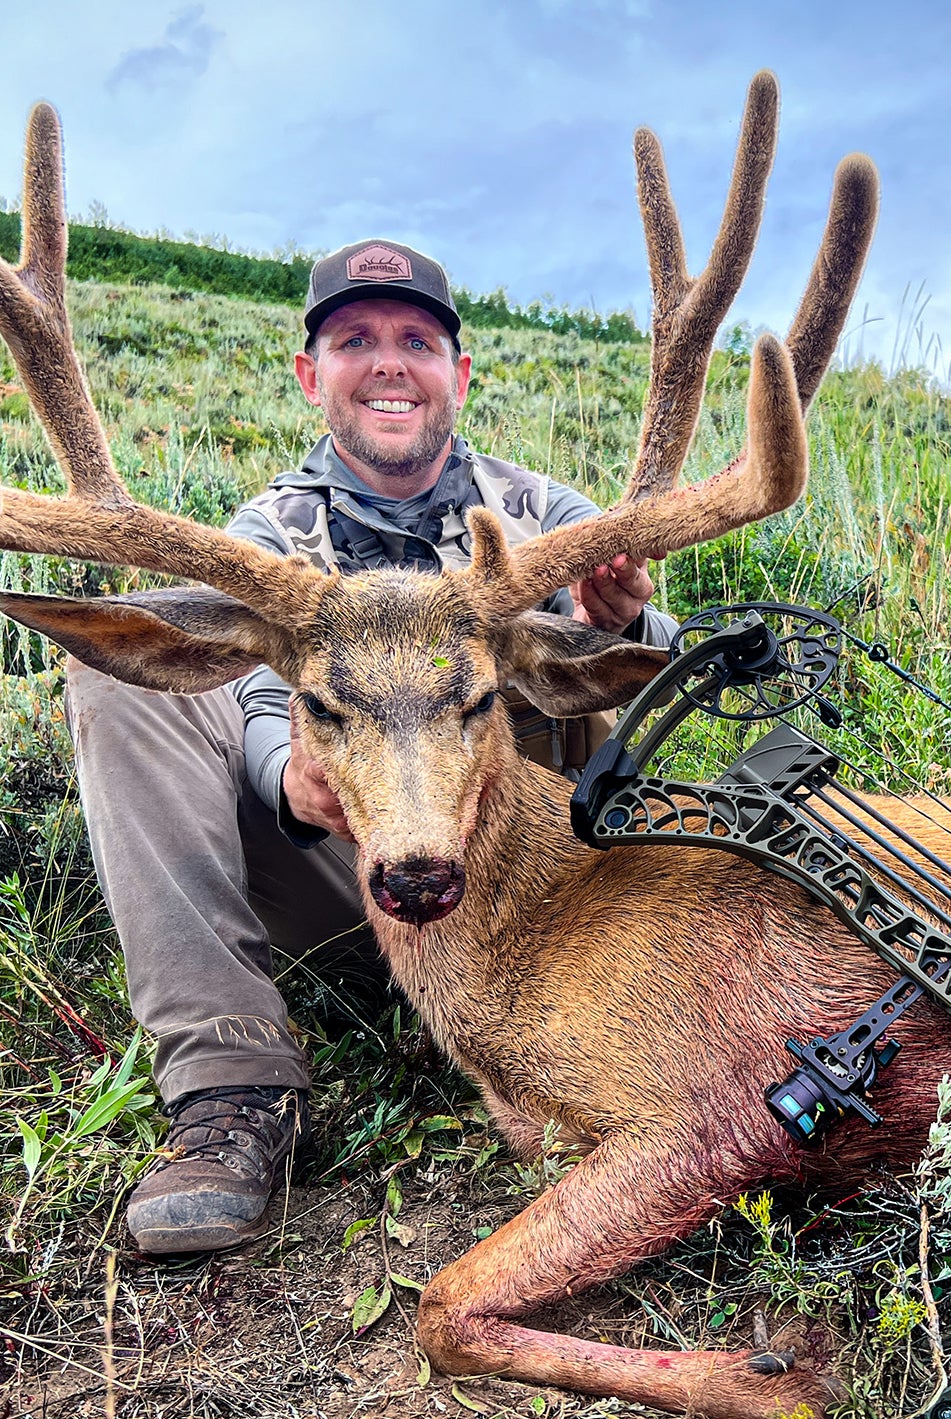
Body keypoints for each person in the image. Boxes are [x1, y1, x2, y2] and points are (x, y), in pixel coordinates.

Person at [65, 239, 676, 1254]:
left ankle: (588, 1012)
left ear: (457, 374)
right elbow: (261, 709)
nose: (388, 362)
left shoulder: (544, 520)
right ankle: (233, 1087)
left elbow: (658, 691)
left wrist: (627, 625)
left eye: (415, 341)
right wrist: (291, 779)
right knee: (117, 669)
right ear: (313, 376)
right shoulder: (268, 535)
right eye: (355, 340)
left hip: (545, 901)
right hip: (350, 880)